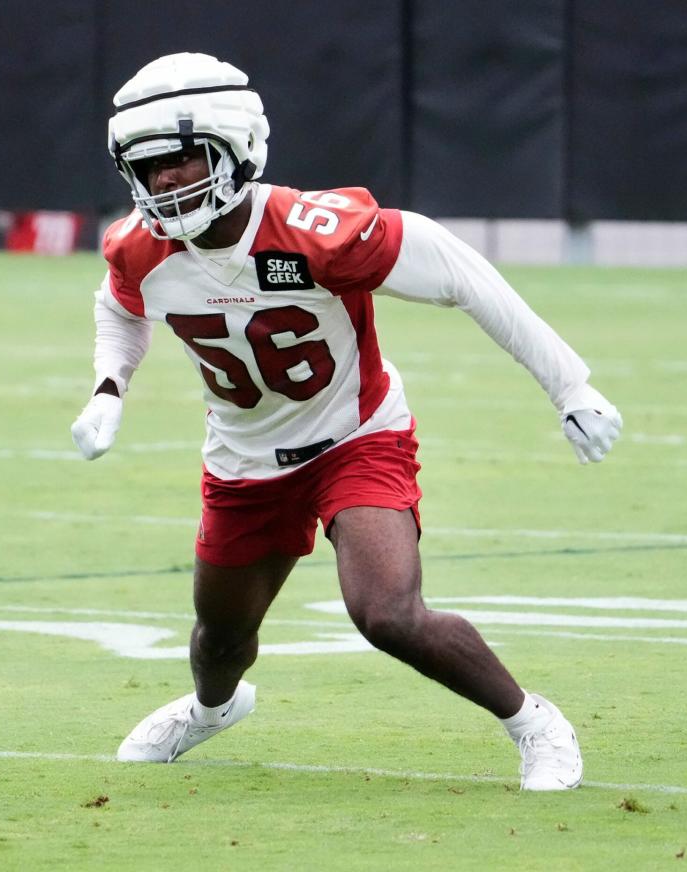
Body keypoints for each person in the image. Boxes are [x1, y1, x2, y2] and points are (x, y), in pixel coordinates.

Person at [70, 52, 622, 791]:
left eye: (183, 158)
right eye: (150, 167)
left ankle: (533, 721)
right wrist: (109, 388)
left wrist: (570, 385)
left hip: (355, 438)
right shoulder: (139, 247)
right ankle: (210, 712)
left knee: (387, 611)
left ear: (237, 150)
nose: (166, 180)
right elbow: (121, 306)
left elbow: (462, 273)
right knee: (220, 638)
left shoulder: (317, 232)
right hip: (242, 461)